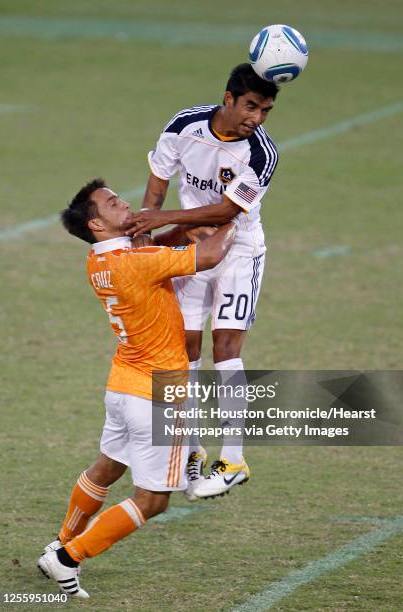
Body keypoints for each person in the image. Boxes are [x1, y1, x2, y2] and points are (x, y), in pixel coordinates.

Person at [37, 178, 236, 599]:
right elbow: (213, 253)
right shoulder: (138, 261)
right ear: (96, 223)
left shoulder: (100, 261)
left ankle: (59, 541)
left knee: (106, 469)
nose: (124, 203)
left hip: (123, 385)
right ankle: (67, 558)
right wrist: (238, 211)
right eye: (112, 203)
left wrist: (173, 230)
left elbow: (154, 249)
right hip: (158, 393)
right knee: (153, 501)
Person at [127, 63, 279, 499]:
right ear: (228, 98)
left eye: (266, 111)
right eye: (251, 106)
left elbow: (228, 212)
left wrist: (167, 219)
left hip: (240, 251)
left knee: (225, 347)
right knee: (184, 348)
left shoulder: (261, 155)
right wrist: (144, 239)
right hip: (193, 254)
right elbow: (157, 184)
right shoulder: (184, 126)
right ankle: (190, 451)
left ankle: (233, 460)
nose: (257, 118)